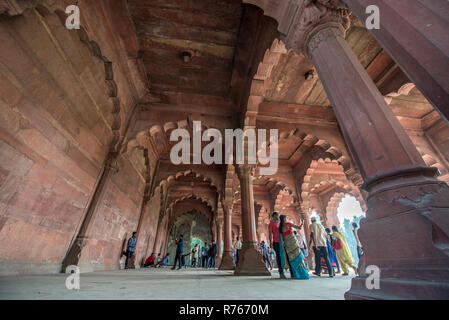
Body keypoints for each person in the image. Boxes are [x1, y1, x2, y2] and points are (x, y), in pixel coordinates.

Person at [278, 215, 310, 280]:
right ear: (284, 219)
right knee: (299, 257)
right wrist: (302, 222)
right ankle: (302, 273)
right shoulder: (288, 224)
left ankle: (295, 274)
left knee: (292, 259)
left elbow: (282, 239)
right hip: (293, 242)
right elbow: (299, 227)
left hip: (287, 244)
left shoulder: (280, 228)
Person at [268, 211, 287, 279]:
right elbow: (270, 234)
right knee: (278, 256)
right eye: (276, 216)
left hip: (282, 241)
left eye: (278, 216)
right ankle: (281, 272)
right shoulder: (271, 224)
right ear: (273, 216)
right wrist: (270, 243)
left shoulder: (280, 223)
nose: (277, 217)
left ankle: (286, 270)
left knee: (284, 256)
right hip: (276, 242)